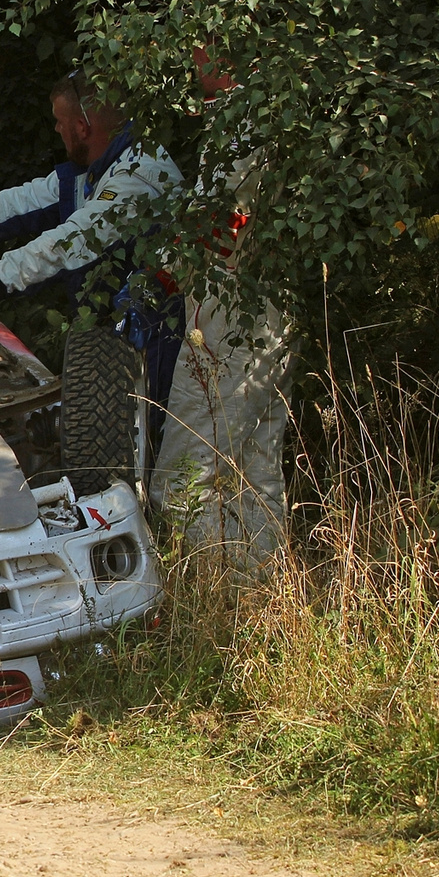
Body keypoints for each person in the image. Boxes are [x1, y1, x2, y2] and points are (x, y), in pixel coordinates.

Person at [148, 49, 291, 580]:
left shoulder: (241, 126)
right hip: (269, 310)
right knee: (258, 469)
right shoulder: (277, 115)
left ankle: (208, 602)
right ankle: (262, 598)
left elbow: (226, 220)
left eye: (198, 49)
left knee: (183, 478)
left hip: (230, 318)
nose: (190, 60)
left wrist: (159, 280)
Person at [0, 70, 183, 307]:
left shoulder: (138, 180)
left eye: (59, 122)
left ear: (81, 127)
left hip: (165, 336)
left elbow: (72, 243)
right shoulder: (102, 162)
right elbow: (20, 203)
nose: (56, 129)